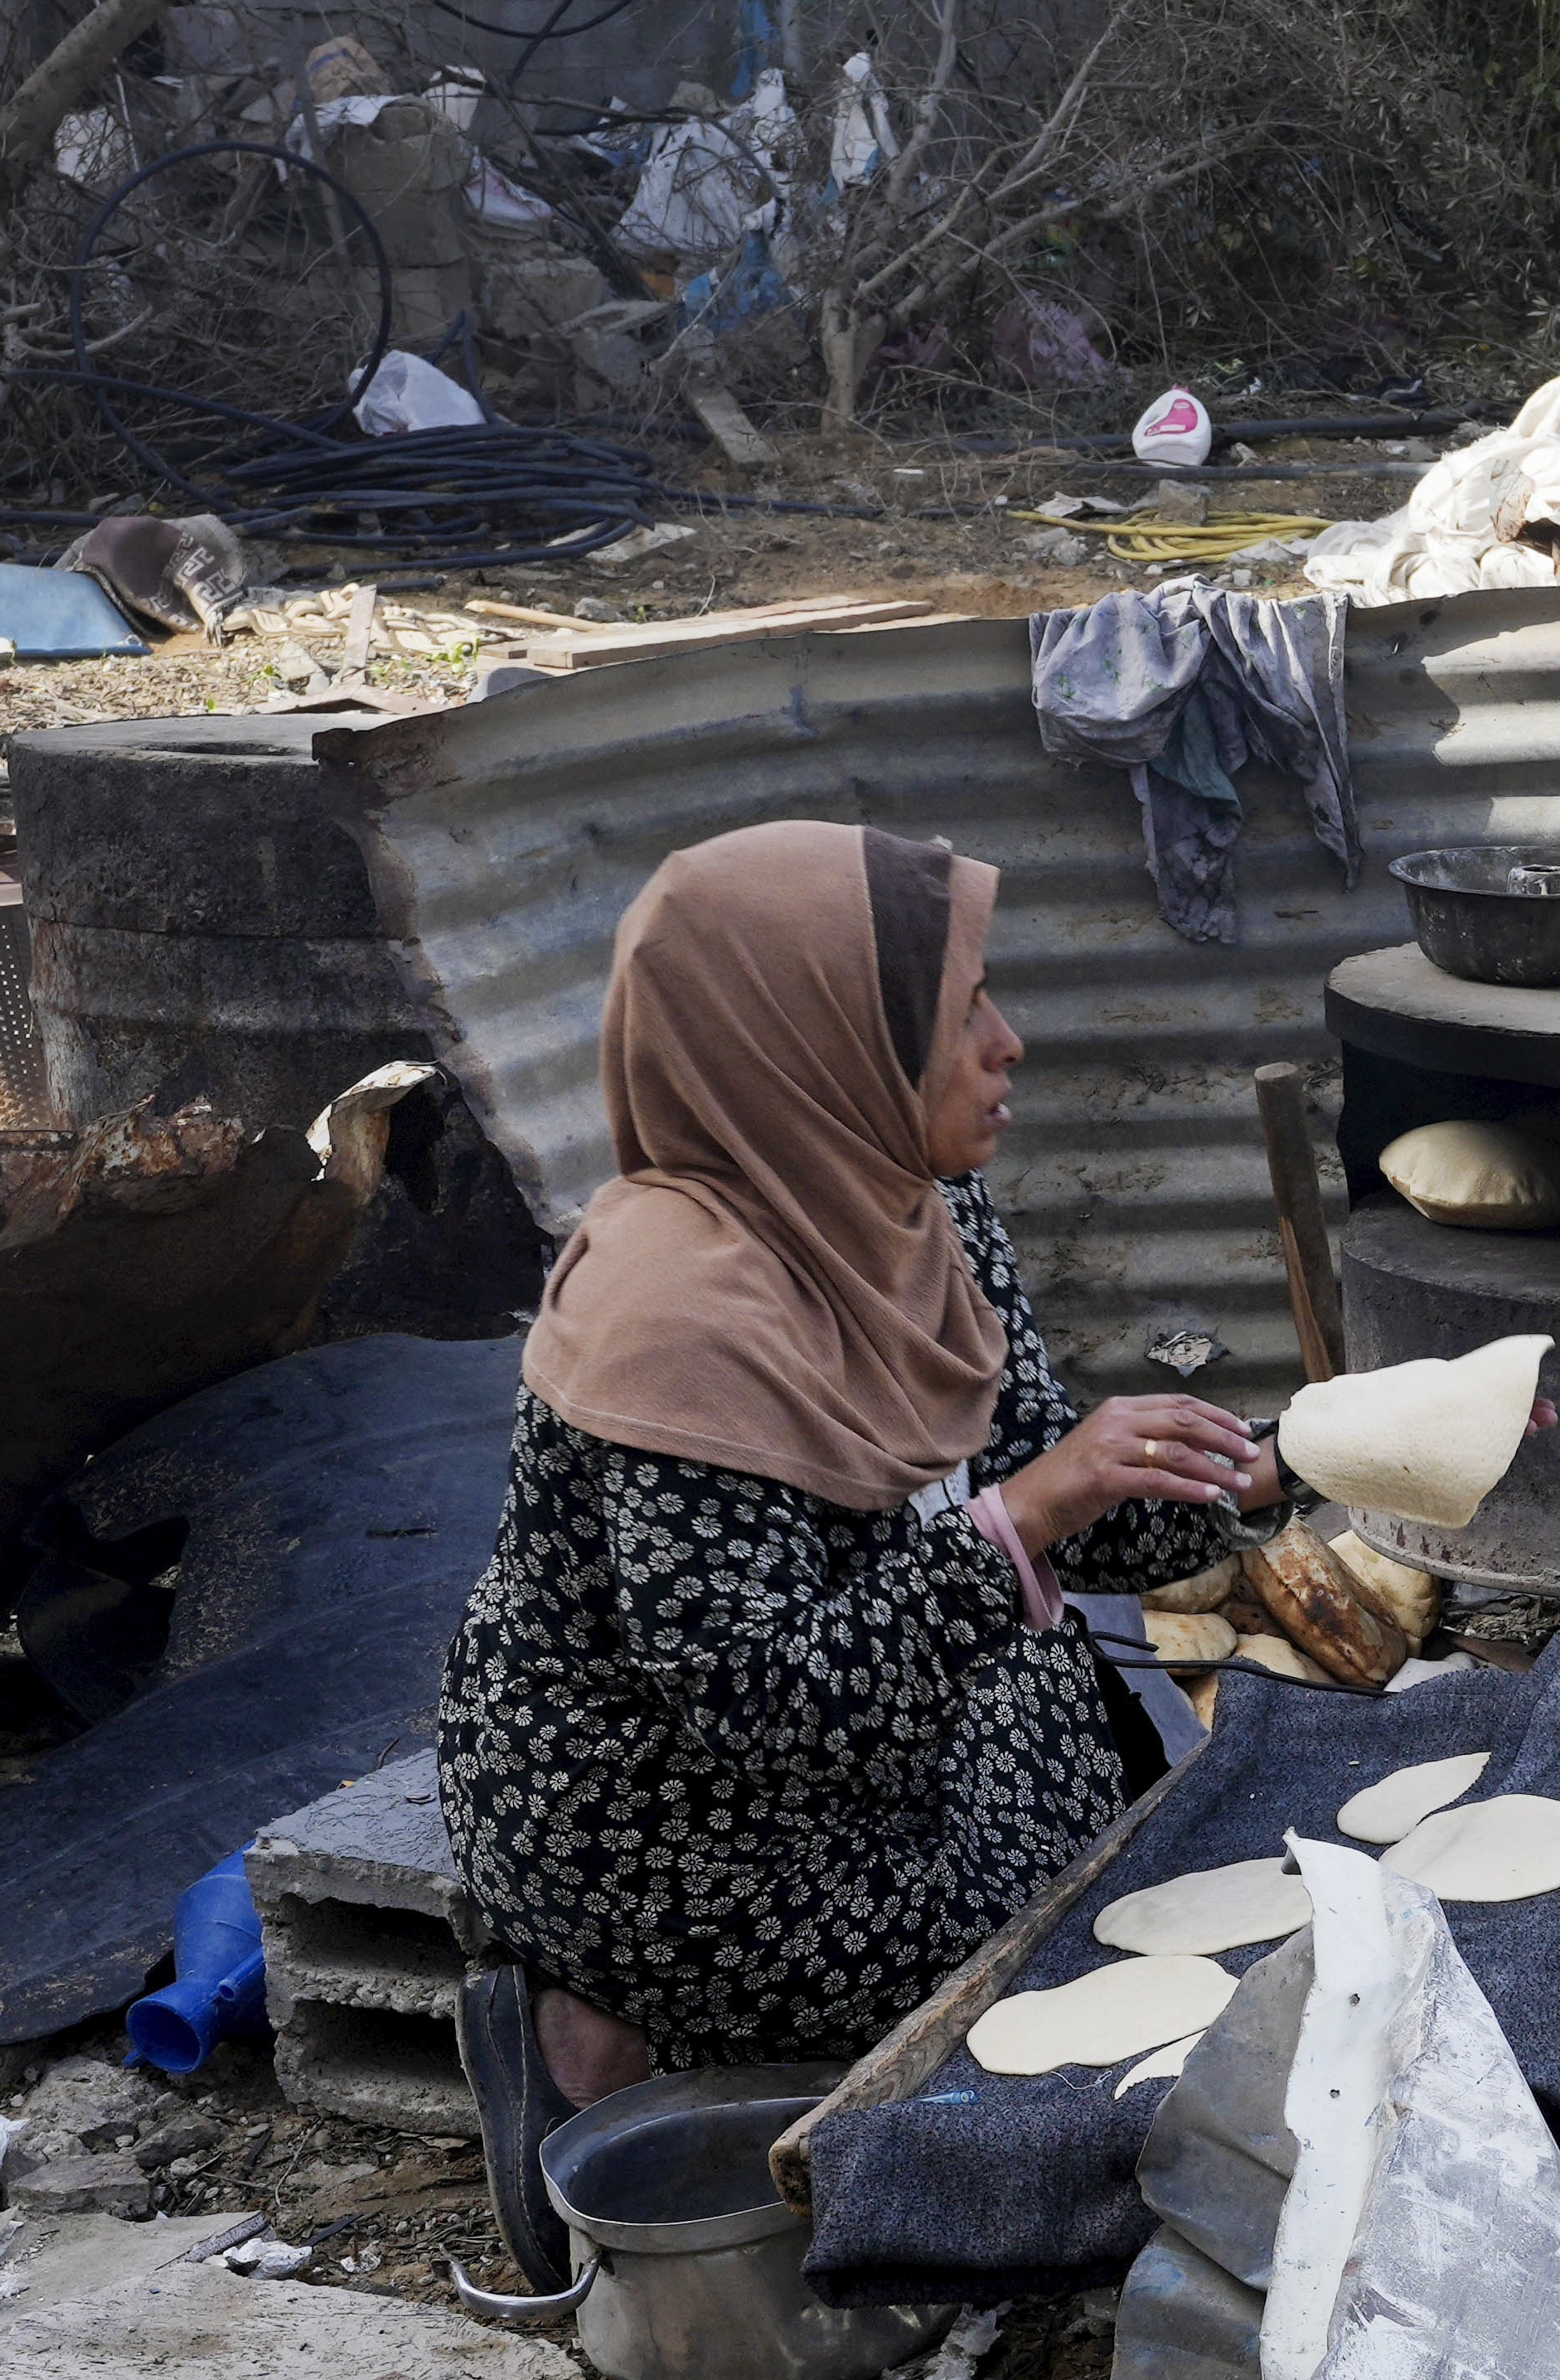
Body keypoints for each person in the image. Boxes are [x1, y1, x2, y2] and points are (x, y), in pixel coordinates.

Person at [437, 819, 1281, 2204]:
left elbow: (1050, 1503)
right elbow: (763, 1707)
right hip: (688, 1821)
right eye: (961, 1015)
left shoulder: (914, 1203)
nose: (1008, 1044)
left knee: (1104, 1827)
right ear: (810, 1045)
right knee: (1029, 1968)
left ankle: (684, 2036)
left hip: (877, 1714)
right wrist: (1022, 1515)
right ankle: (592, 2026)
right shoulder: (678, 1313)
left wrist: (1274, 1464)